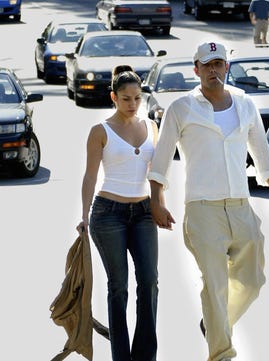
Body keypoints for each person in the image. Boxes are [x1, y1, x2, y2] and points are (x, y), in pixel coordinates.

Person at [148, 42, 269, 361]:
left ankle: (213, 323)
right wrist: (157, 199)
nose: (214, 70)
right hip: (202, 210)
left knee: (252, 281)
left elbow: (262, 154)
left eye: (219, 64)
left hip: (241, 206)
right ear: (196, 69)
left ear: (227, 67)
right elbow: (160, 160)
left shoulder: (244, 104)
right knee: (214, 285)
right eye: (207, 65)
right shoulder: (181, 108)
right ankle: (221, 353)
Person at [77, 65, 159, 361]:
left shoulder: (151, 126)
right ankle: (121, 356)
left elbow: (157, 173)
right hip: (108, 214)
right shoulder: (100, 131)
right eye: (126, 98)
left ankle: (145, 355)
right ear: (114, 97)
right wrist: (84, 216)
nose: (132, 104)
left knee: (149, 281)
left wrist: (160, 204)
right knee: (119, 286)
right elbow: (89, 176)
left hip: (144, 212)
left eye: (137, 98)